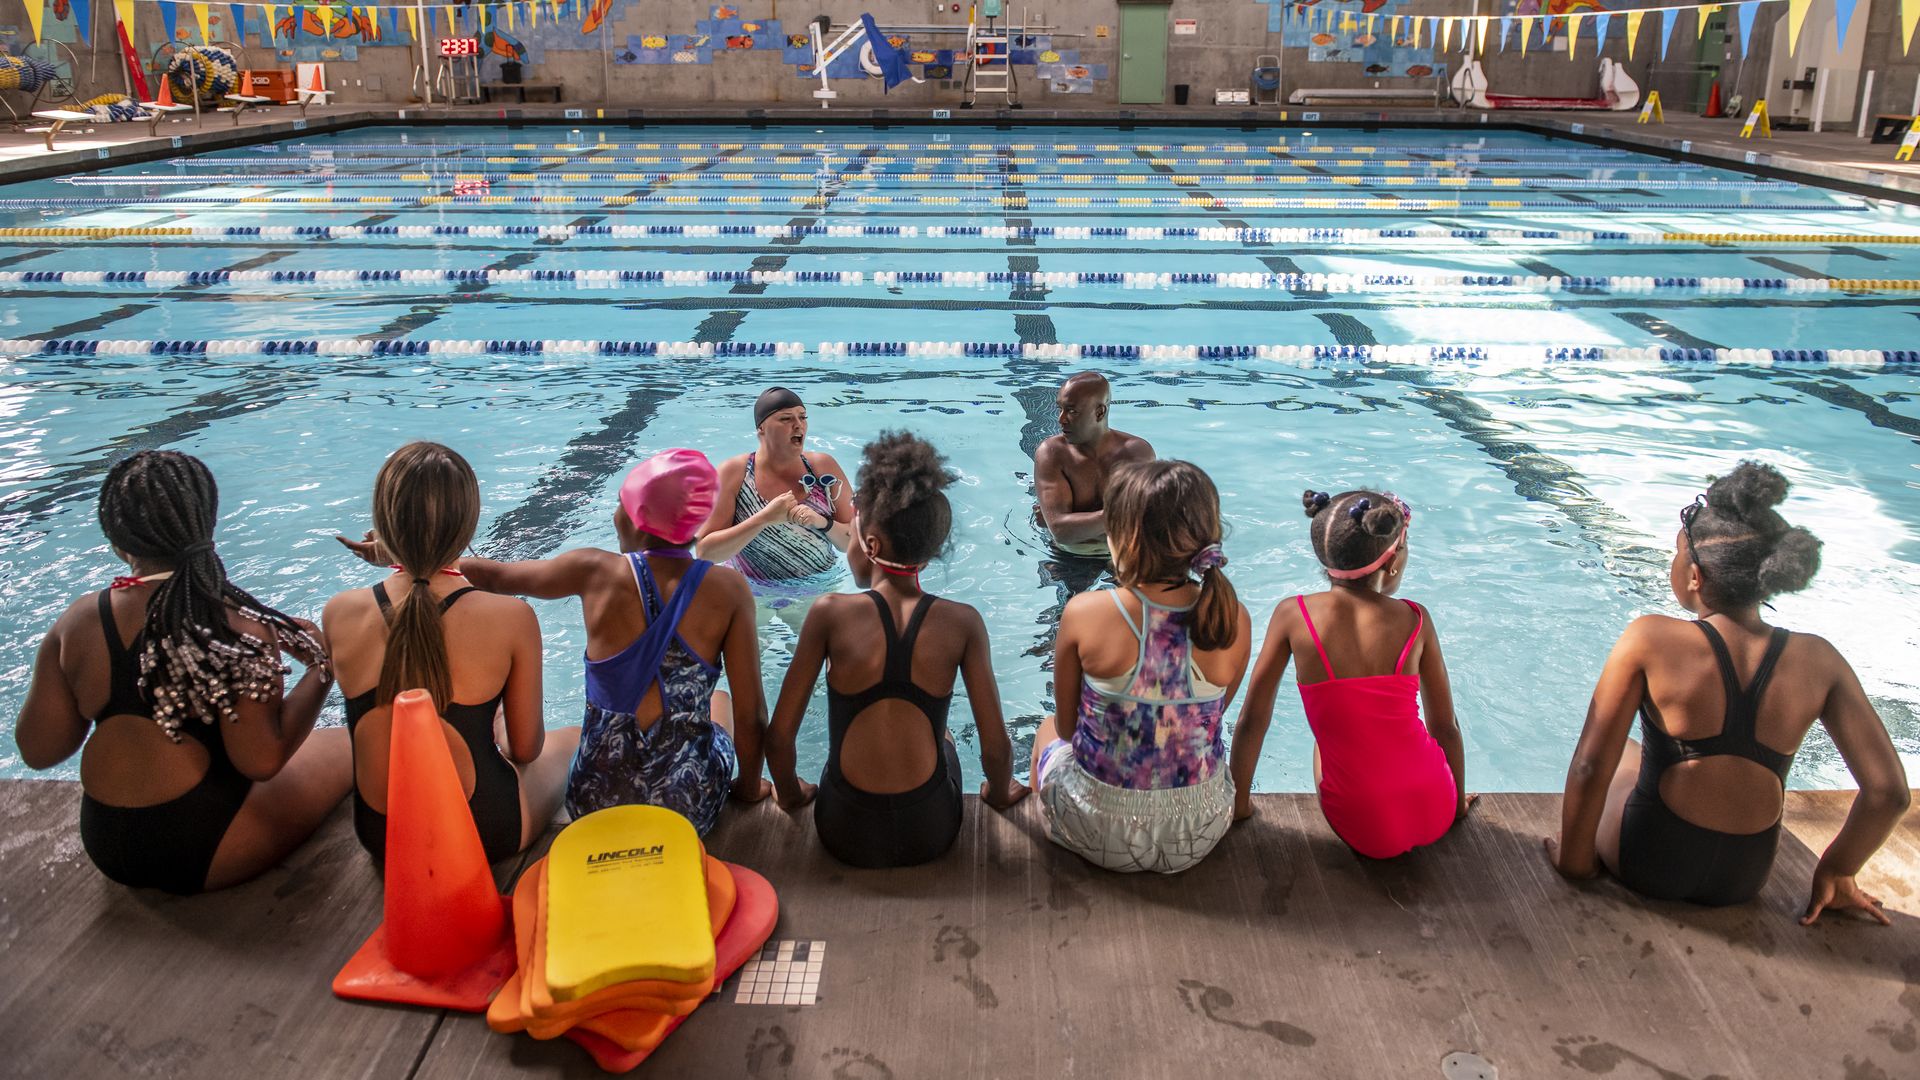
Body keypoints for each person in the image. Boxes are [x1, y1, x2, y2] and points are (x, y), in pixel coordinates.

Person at [1549, 462, 1909, 919]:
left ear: (1695, 576)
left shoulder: (1650, 638)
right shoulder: (1820, 659)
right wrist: (1836, 870)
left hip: (1649, 861)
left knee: (1623, 752)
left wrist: (1574, 866)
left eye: (1677, 554)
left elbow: (1587, 766)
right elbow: (1889, 793)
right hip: (1744, 877)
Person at [15, 451, 349, 894]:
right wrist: (322, 667)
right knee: (352, 742)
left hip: (106, 844)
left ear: (116, 541)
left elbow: (40, 750)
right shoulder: (238, 625)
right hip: (206, 849)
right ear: (206, 526)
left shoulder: (78, 621)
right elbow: (262, 761)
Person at [455, 449, 772, 835]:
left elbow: (495, 577)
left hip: (594, 800)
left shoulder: (593, 570)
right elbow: (753, 716)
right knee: (721, 700)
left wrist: (406, 552)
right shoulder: (727, 589)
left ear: (638, 520)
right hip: (686, 807)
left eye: (620, 505)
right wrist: (749, 788)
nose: (613, 515)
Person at [767, 432, 1028, 867]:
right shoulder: (962, 623)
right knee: (941, 735)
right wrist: (1000, 794)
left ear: (870, 546)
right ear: (928, 554)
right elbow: (997, 749)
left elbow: (778, 740)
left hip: (843, 829)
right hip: (931, 829)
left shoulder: (829, 614)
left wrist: (792, 797)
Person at [327, 442, 576, 865]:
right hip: (486, 831)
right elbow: (526, 750)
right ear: (468, 524)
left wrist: (398, 551)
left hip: (381, 838)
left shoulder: (340, 611)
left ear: (383, 522)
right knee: (570, 740)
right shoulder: (510, 617)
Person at [1029, 459, 1252, 874]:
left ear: (1122, 537)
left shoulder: (1087, 611)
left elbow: (1066, 728)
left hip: (1099, 831)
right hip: (1199, 831)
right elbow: (1212, 719)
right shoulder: (1232, 616)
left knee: (1045, 732)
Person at [1232, 490, 1470, 860]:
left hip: (1363, 826)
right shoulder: (1416, 619)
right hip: (1436, 804)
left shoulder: (1292, 615)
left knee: (1329, 740)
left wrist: (1240, 805)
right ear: (1392, 564)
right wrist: (1455, 808)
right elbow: (1445, 727)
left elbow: (1252, 720)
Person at [697, 387, 856, 586]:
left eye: (803, 417)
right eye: (786, 419)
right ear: (761, 428)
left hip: (817, 584)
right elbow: (705, 553)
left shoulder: (822, 468)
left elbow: (853, 542)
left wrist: (823, 523)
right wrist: (764, 519)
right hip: (752, 588)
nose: (799, 426)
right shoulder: (735, 473)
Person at [1032, 371, 1154, 559]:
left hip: (1124, 554)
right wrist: (1122, 515)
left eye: (1072, 411)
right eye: (1060, 409)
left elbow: (1145, 521)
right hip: (1067, 556)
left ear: (1099, 412)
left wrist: (1075, 522)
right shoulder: (1051, 453)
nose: (1061, 419)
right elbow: (1061, 531)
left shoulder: (1136, 453)